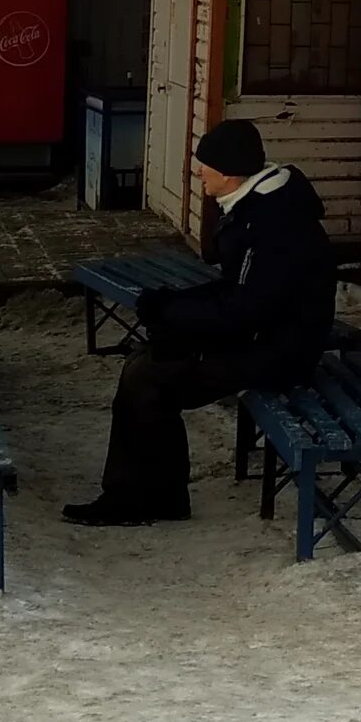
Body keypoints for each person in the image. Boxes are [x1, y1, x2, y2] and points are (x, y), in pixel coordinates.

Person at [65, 117, 337, 527]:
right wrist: (174, 306)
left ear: (228, 173)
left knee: (148, 375)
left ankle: (133, 500)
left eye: (204, 165)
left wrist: (174, 315)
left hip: (280, 352)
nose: (198, 172)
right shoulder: (259, 206)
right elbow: (237, 291)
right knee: (148, 364)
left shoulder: (270, 223)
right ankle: (159, 497)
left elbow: (247, 308)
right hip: (268, 336)